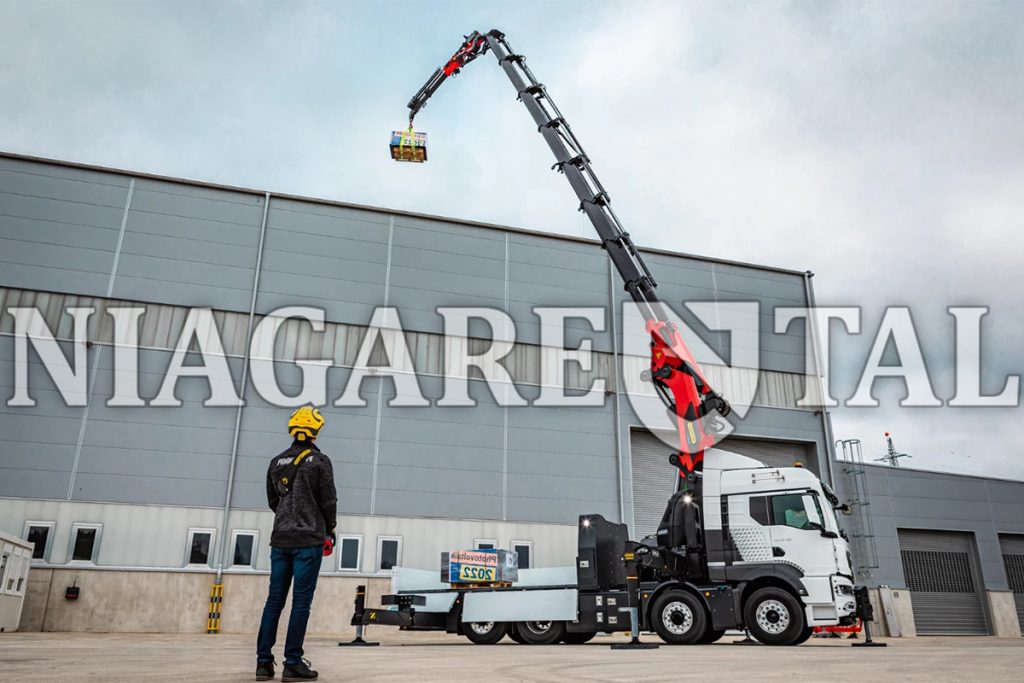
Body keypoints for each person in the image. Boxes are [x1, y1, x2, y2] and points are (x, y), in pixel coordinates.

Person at [256, 405, 337, 682]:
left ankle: (263, 663)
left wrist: (287, 519)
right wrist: (330, 527)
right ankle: (292, 662)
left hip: (280, 539)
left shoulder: (276, 462)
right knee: (301, 602)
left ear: (293, 429)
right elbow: (328, 500)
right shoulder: (320, 462)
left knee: (274, 602)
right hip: (308, 540)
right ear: (316, 431)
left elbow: (273, 501)